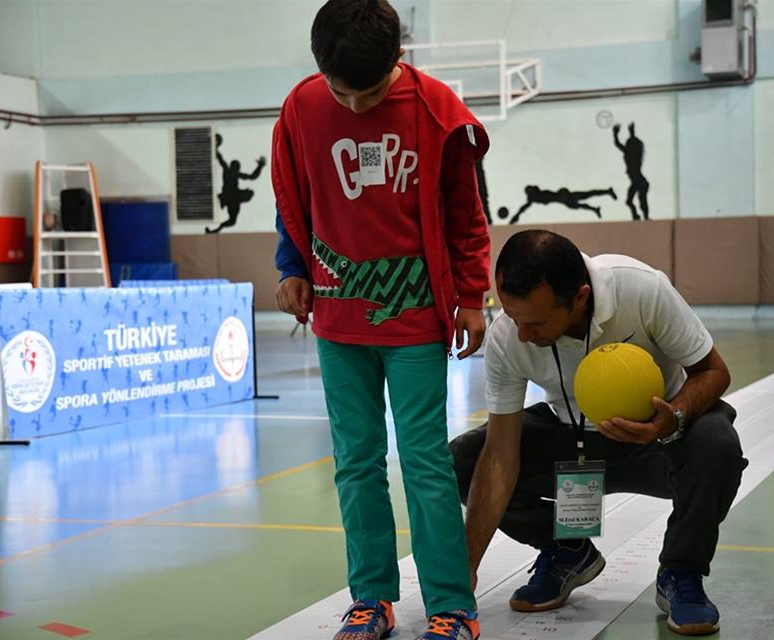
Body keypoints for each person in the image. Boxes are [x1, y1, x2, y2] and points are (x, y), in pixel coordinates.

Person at [271, 1, 490, 638]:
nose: (354, 106)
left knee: (425, 461)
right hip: (338, 320)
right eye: (341, 91)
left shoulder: (436, 109)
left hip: (415, 319)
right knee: (355, 462)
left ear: (398, 58)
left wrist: (471, 296)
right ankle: (371, 597)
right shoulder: (302, 106)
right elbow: (291, 195)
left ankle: (452, 604)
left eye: (367, 94)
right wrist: (292, 266)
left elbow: (466, 212)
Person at [450, 229, 748, 636]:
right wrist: (465, 569)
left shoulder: (641, 288)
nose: (521, 334)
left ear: (580, 297)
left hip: (659, 439)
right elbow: (500, 456)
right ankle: (567, 551)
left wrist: (673, 417)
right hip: (572, 442)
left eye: (536, 323)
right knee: (465, 459)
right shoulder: (509, 336)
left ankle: (681, 572)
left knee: (717, 444)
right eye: (513, 317)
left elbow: (713, 371)